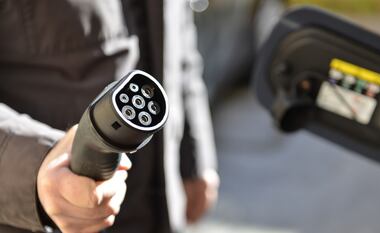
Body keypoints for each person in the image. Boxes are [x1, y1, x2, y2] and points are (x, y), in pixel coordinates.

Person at [0, 0, 219, 232]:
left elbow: (180, 32)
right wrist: (37, 168)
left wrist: (195, 154)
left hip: (158, 208)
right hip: (45, 216)